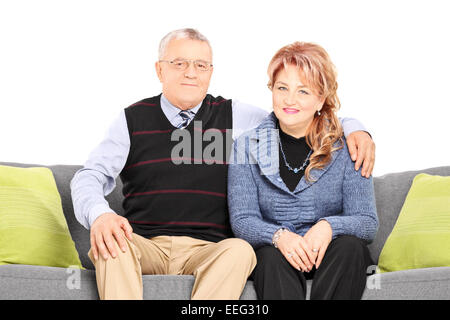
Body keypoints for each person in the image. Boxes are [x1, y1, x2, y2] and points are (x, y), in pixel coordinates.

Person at [70, 28, 375, 300]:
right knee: (112, 244)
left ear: (210, 72)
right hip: (145, 244)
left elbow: (295, 113)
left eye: (200, 65)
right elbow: (88, 177)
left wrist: (354, 127)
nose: (191, 72)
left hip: (210, 250)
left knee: (241, 251)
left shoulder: (236, 118)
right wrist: (99, 216)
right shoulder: (131, 120)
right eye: (179, 63)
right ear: (159, 70)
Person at [228, 41, 379, 300]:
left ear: (321, 98)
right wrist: (279, 236)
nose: (290, 100)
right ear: (272, 90)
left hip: (333, 255)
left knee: (350, 247)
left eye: (303, 92)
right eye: (282, 88)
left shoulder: (349, 145)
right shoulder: (247, 145)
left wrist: (327, 227)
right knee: (268, 256)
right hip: (278, 254)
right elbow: (242, 220)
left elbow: (367, 221)